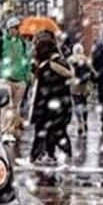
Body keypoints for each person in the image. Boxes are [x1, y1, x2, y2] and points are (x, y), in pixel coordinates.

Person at [0, 17, 32, 144]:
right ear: (9, 29)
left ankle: (12, 130)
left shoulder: (23, 43)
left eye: (17, 28)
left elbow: (27, 61)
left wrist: (27, 76)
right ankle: (5, 132)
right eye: (14, 28)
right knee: (7, 106)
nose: (16, 30)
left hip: (20, 80)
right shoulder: (1, 42)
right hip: (5, 78)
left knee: (15, 107)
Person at [29, 32, 74, 163]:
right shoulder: (60, 63)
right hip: (61, 106)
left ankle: (35, 156)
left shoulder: (46, 67)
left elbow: (40, 86)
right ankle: (57, 154)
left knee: (42, 131)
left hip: (47, 106)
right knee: (58, 131)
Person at [68, 44, 96, 136]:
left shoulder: (71, 59)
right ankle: (85, 121)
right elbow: (93, 72)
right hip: (85, 86)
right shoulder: (86, 59)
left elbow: (68, 73)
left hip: (75, 85)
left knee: (77, 104)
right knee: (84, 103)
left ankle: (80, 123)